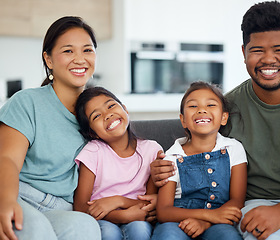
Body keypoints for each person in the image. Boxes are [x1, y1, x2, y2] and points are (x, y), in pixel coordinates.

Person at [150, 1, 280, 240]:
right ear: (244, 53)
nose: (268, 59)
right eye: (257, 50)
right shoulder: (226, 108)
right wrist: (162, 169)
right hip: (258, 206)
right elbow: (194, 150)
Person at [0, 16, 101, 240]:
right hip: (19, 195)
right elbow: (7, 159)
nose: (79, 59)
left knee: (86, 227)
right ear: (49, 59)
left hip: (61, 207)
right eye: (68, 51)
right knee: (36, 231)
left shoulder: (98, 114)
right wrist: (5, 201)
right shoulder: (27, 102)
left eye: (87, 50)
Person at [151, 81, 247, 240]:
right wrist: (209, 215)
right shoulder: (172, 156)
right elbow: (164, 211)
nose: (202, 109)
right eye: (193, 106)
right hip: (177, 220)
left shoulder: (234, 148)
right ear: (183, 120)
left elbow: (237, 200)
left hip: (219, 221)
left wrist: (206, 221)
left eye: (210, 105)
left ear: (224, 118)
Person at [73, 86, 162, 240]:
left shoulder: (152, 150)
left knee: (139, 229)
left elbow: (149, 203)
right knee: (108, 233)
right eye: (96, 116)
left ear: (125, 109)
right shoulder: (93, 152)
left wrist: (117, 201)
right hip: (102, 218)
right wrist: (121, 216)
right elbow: (80, 207)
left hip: (136, 216)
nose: (108, 115)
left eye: (111, 106)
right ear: (92, 133)